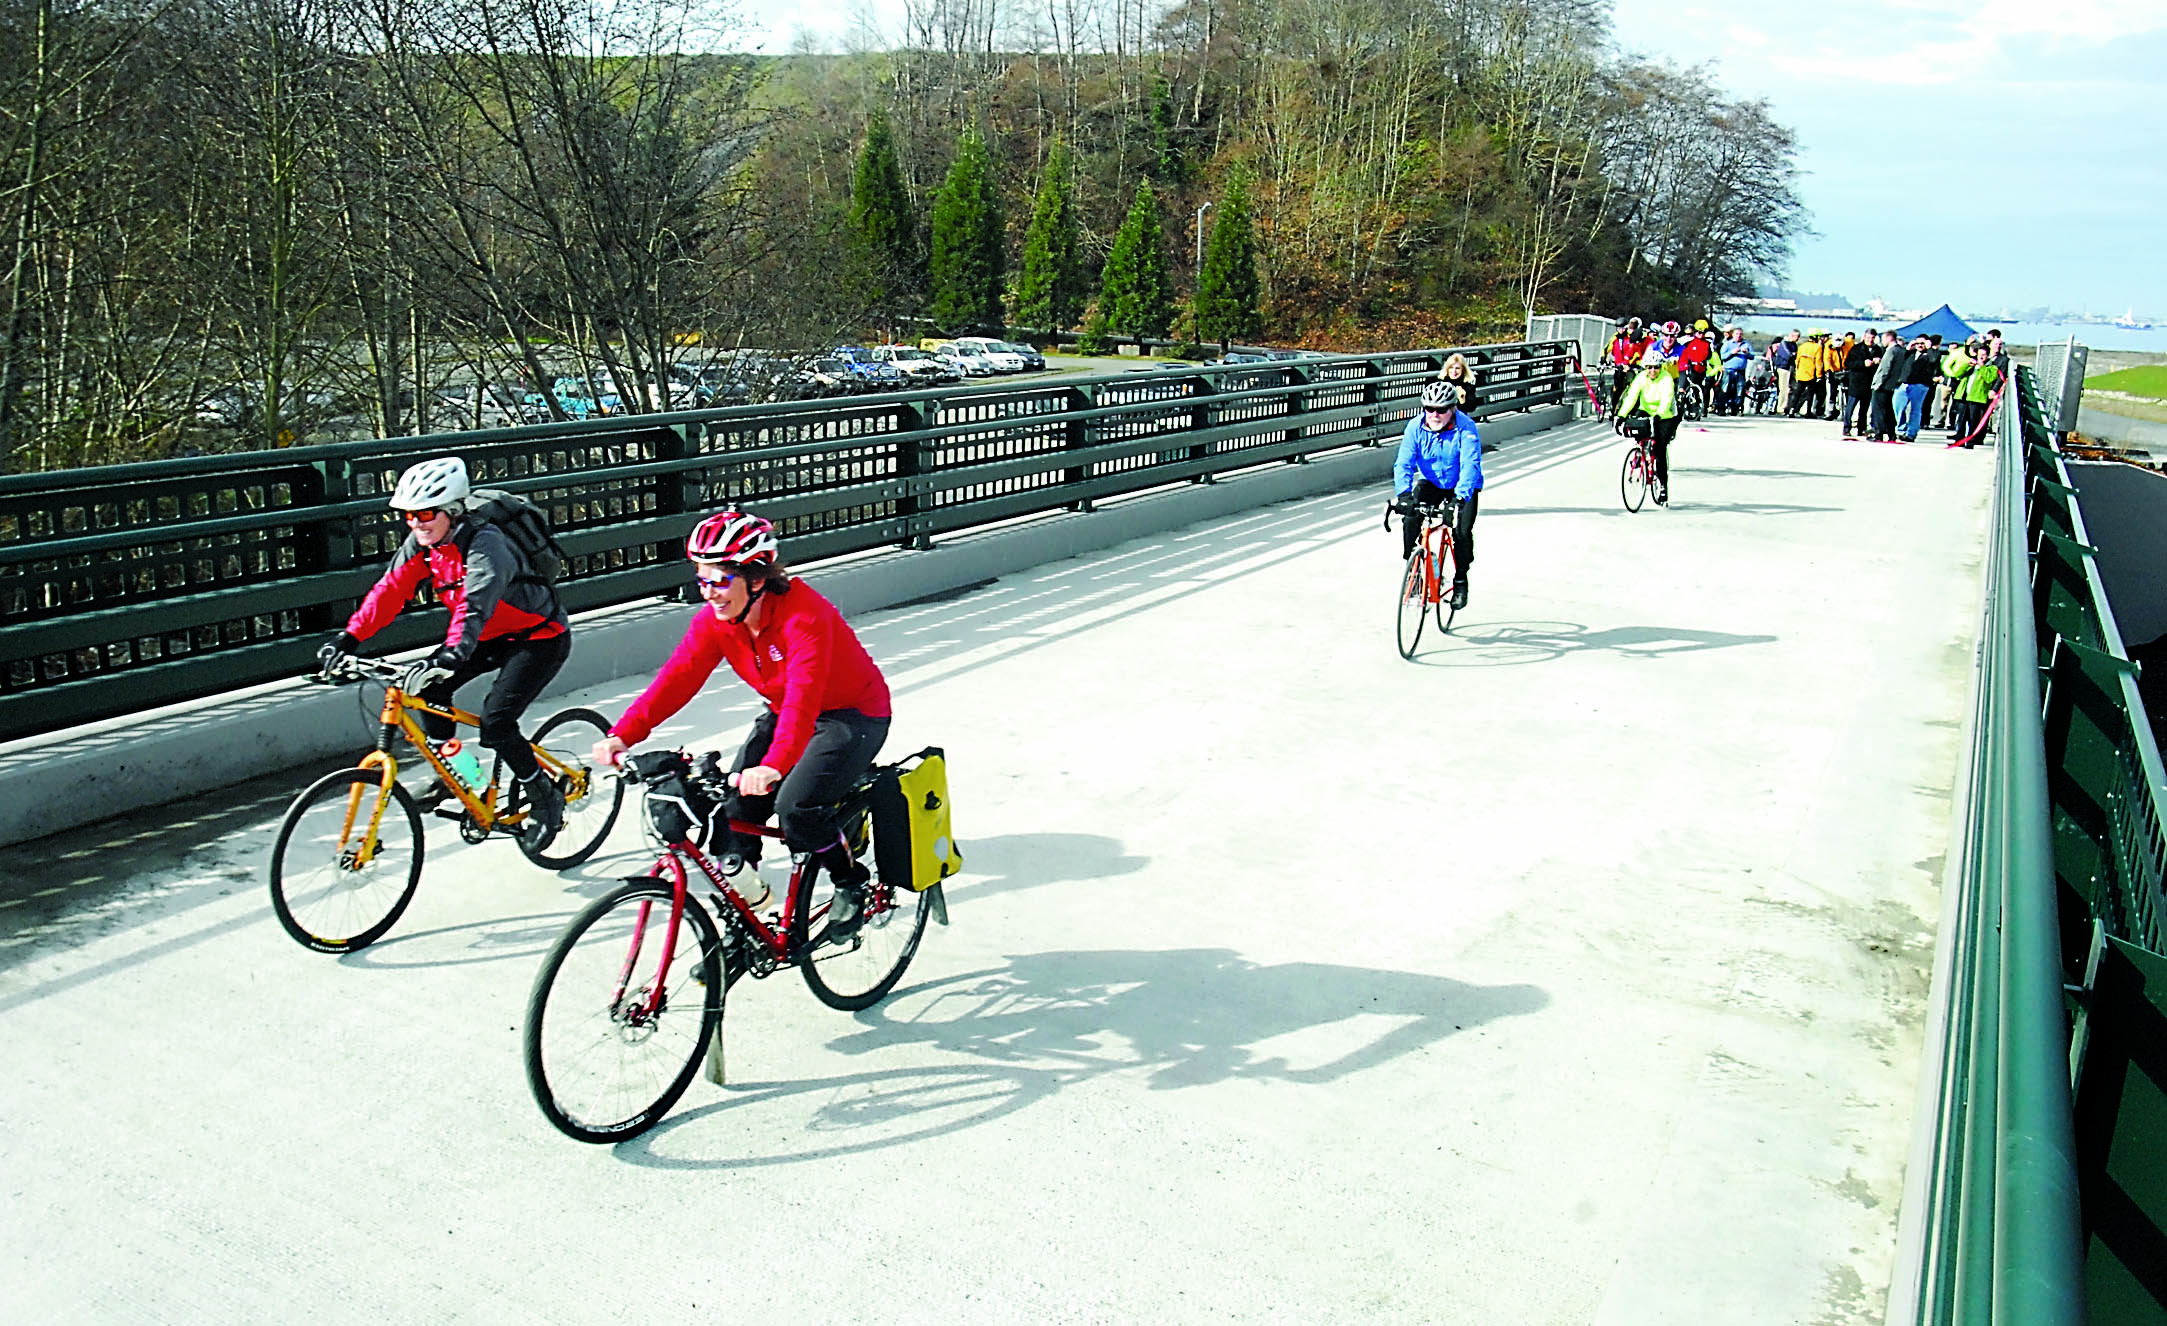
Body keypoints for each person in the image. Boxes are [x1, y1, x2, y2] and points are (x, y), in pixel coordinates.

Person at [592, 511, 892, 925]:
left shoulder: (806, 618)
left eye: (719, 581)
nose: (708, 593)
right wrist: (622, 735)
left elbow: (802, 702)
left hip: (852, 716)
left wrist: (772, 766)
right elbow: (677, 680)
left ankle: (850, 882)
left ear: (756, 578)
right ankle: (747, 916)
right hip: (784, 713)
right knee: (733, 811)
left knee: (796, 808)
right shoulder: (719, 622)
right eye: (701, 580)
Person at [319, 456, 570, 845]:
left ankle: (545, 797)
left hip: (538, 636)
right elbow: (390, 592)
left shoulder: (487, 545)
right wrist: (348, 639)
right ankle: (453, 774)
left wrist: (450, 653)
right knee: (429, 692)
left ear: (452, 511)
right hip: (485, 637)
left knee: (497, 723)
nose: (416, 523)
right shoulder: (424, 544)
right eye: (408, 516)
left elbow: (475, 604)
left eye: (426, 513)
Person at [1393, 381, 1483, 610]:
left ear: (1453, 409)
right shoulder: (1415, 427)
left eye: (1441, 410)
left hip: (1462, 485)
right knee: (1410, 520)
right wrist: (1403, 494)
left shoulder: (1466, 427)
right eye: (1429, 409)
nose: (1434, 414)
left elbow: (1470, 465)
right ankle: (1415, 570)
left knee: (1461, 531)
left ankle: (1461, 580)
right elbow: (1403, 462)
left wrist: (1459, 499)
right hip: (1432, 482)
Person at [1615, 348, 1680, 505]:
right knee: (1636, 426)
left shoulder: (1666, 379)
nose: (1652, 370)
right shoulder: (1640, 378)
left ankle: (1663, 485)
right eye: (1649, 367)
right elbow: (1631, 397)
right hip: (1646, 409)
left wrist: (1658, 415)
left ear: (1660, 367)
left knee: (1659, 449)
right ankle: (1640, 451)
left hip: (1665, 415)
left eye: (1656, 367)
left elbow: (1667, 398)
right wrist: (1621, 416)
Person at [1869, 331, 1911, 442]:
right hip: (1892, 385)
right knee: (1888, 410)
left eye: (1883, 339)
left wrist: (1877, 384)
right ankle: (1891, 434)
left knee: (1879, 410)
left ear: (1888, 338)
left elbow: (1885, 369)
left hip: (1883, 385)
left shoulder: (1891, 351)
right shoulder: (1900, 351)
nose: (1882, 342)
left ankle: (1878, 434)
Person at [1898, 336, 1937, 441]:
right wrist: (1908, 348)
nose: (1920, 345)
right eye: (1918, 343)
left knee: (1915, 410)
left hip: (1920, 385)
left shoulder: (1931, 354)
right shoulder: (1910, 353)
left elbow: (1934, 361)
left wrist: (1929, 349)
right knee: (1898, 406)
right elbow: (1899, 359)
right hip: (1905, 383)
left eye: (1922, 343)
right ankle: (1901, 428)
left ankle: (1911, 433)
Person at [1718, 328, 1752, 415]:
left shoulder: (1746, 344)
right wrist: (1732, 352)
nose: (1738, 336)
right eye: (1736, 334)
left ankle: (1736, 409)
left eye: (1740, 334)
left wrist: (1747, 353)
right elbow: (1722, 357)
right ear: (1733, 335)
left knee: (1739, 390)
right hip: (1729, 370)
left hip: (1740, 371)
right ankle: (1721, 409)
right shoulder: (1727, 344)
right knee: (1725, 389)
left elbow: (1752, 356)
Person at [1769, 330, 1799, 414]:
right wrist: (1794, 354)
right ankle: (1781, 408)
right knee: (1784, 389)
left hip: (1791, 368)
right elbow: (1788, 355)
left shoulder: (1794, 344)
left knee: (1795, 388)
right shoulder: (1784, 343)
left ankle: (1791, 406)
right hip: (1783, 368)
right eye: (1797, 336)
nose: (1798, 338)